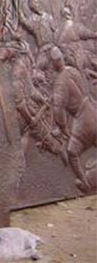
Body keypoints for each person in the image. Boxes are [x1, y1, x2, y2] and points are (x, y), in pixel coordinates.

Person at [50, 47, 97, 192]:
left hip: (82, 117)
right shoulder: (72, 70)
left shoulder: (60, 83)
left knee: (72, 151)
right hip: (92, 107)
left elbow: (58, 110)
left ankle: (86, 184)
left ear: (53, 63)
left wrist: (63, 128)